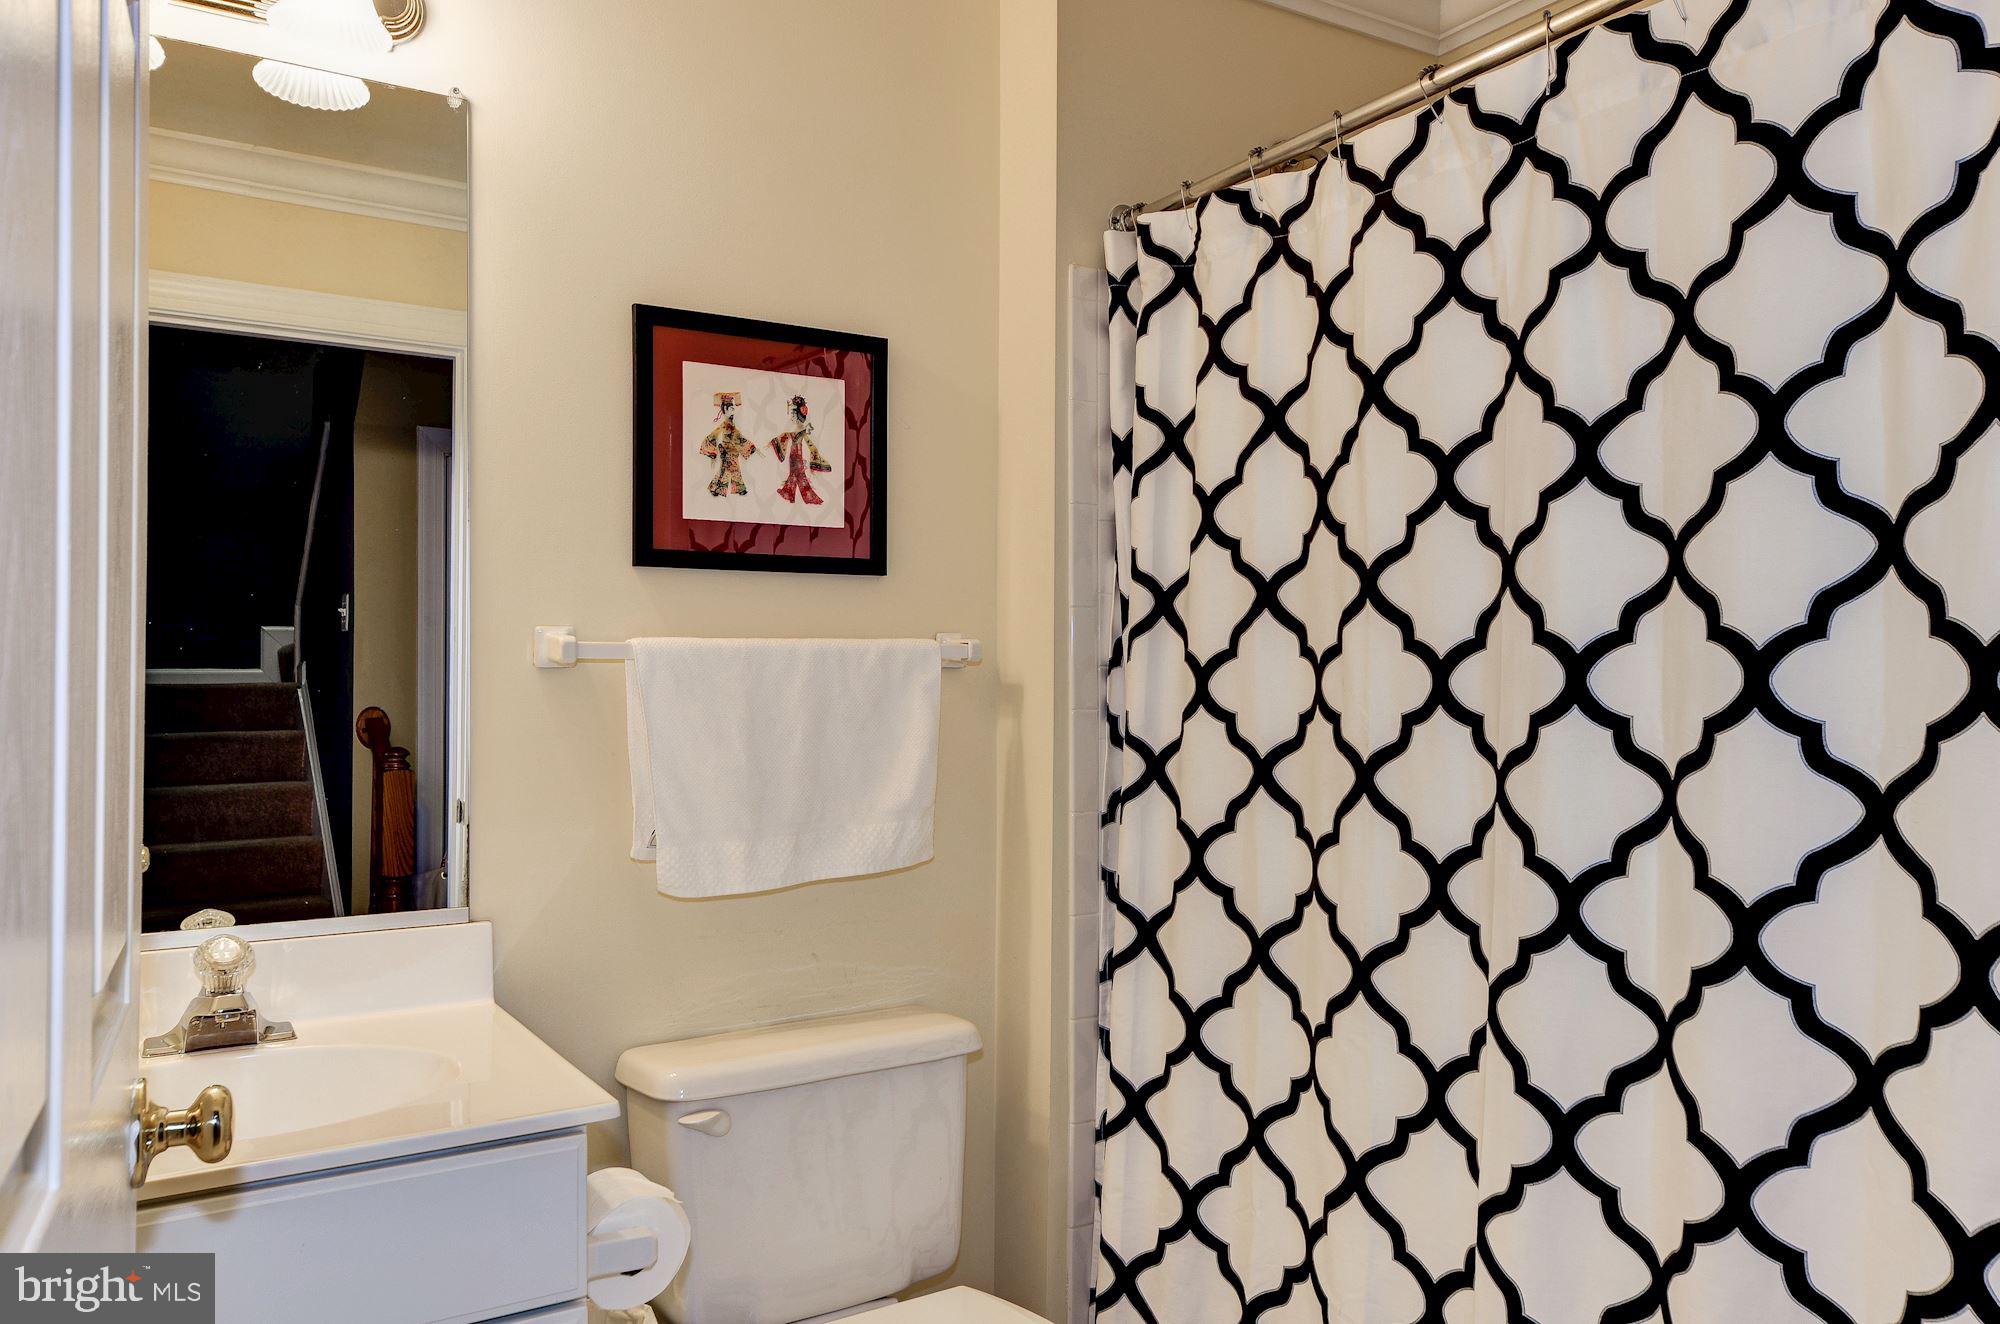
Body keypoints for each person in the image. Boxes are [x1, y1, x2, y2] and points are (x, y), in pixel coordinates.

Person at [768, 394, 832, 506]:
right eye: (792, 414)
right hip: (793, 456)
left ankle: (804, 496)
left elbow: (810, 444)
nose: (792, 417)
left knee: (799, 477)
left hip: (797, 456)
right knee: (794, 476)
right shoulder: (795, 429)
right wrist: (773, 441)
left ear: (798, 415)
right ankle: (791, 495)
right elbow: (786, 435)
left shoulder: (802, 429)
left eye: (793, 414)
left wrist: (814, 462)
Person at [698, 391, 757, 498]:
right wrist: (748, 446)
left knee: (731, 469)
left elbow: (738, 436)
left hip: (732, 450)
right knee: (729, 469)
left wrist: (749, 446)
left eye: (733, 408)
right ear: (725, 410)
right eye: (731, 408)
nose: (733, 410)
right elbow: (718, 435)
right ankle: (726, 488)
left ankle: (720, 489)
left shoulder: (731, 424)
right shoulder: (726, 424)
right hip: (727, 449)